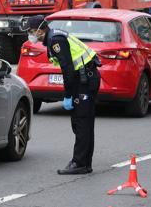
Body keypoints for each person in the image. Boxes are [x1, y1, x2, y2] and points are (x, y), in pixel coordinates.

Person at [25, 15, 101, 175]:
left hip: (85, 81)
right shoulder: (54, 36)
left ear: (41, 30)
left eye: (32, 31)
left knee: (81, 123)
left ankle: (80, 163)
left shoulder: (55, 40)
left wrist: (67, 95)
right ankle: (84, 163)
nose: (31, 35)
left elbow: (67, 69)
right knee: (82, 123)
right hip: (84, 79)